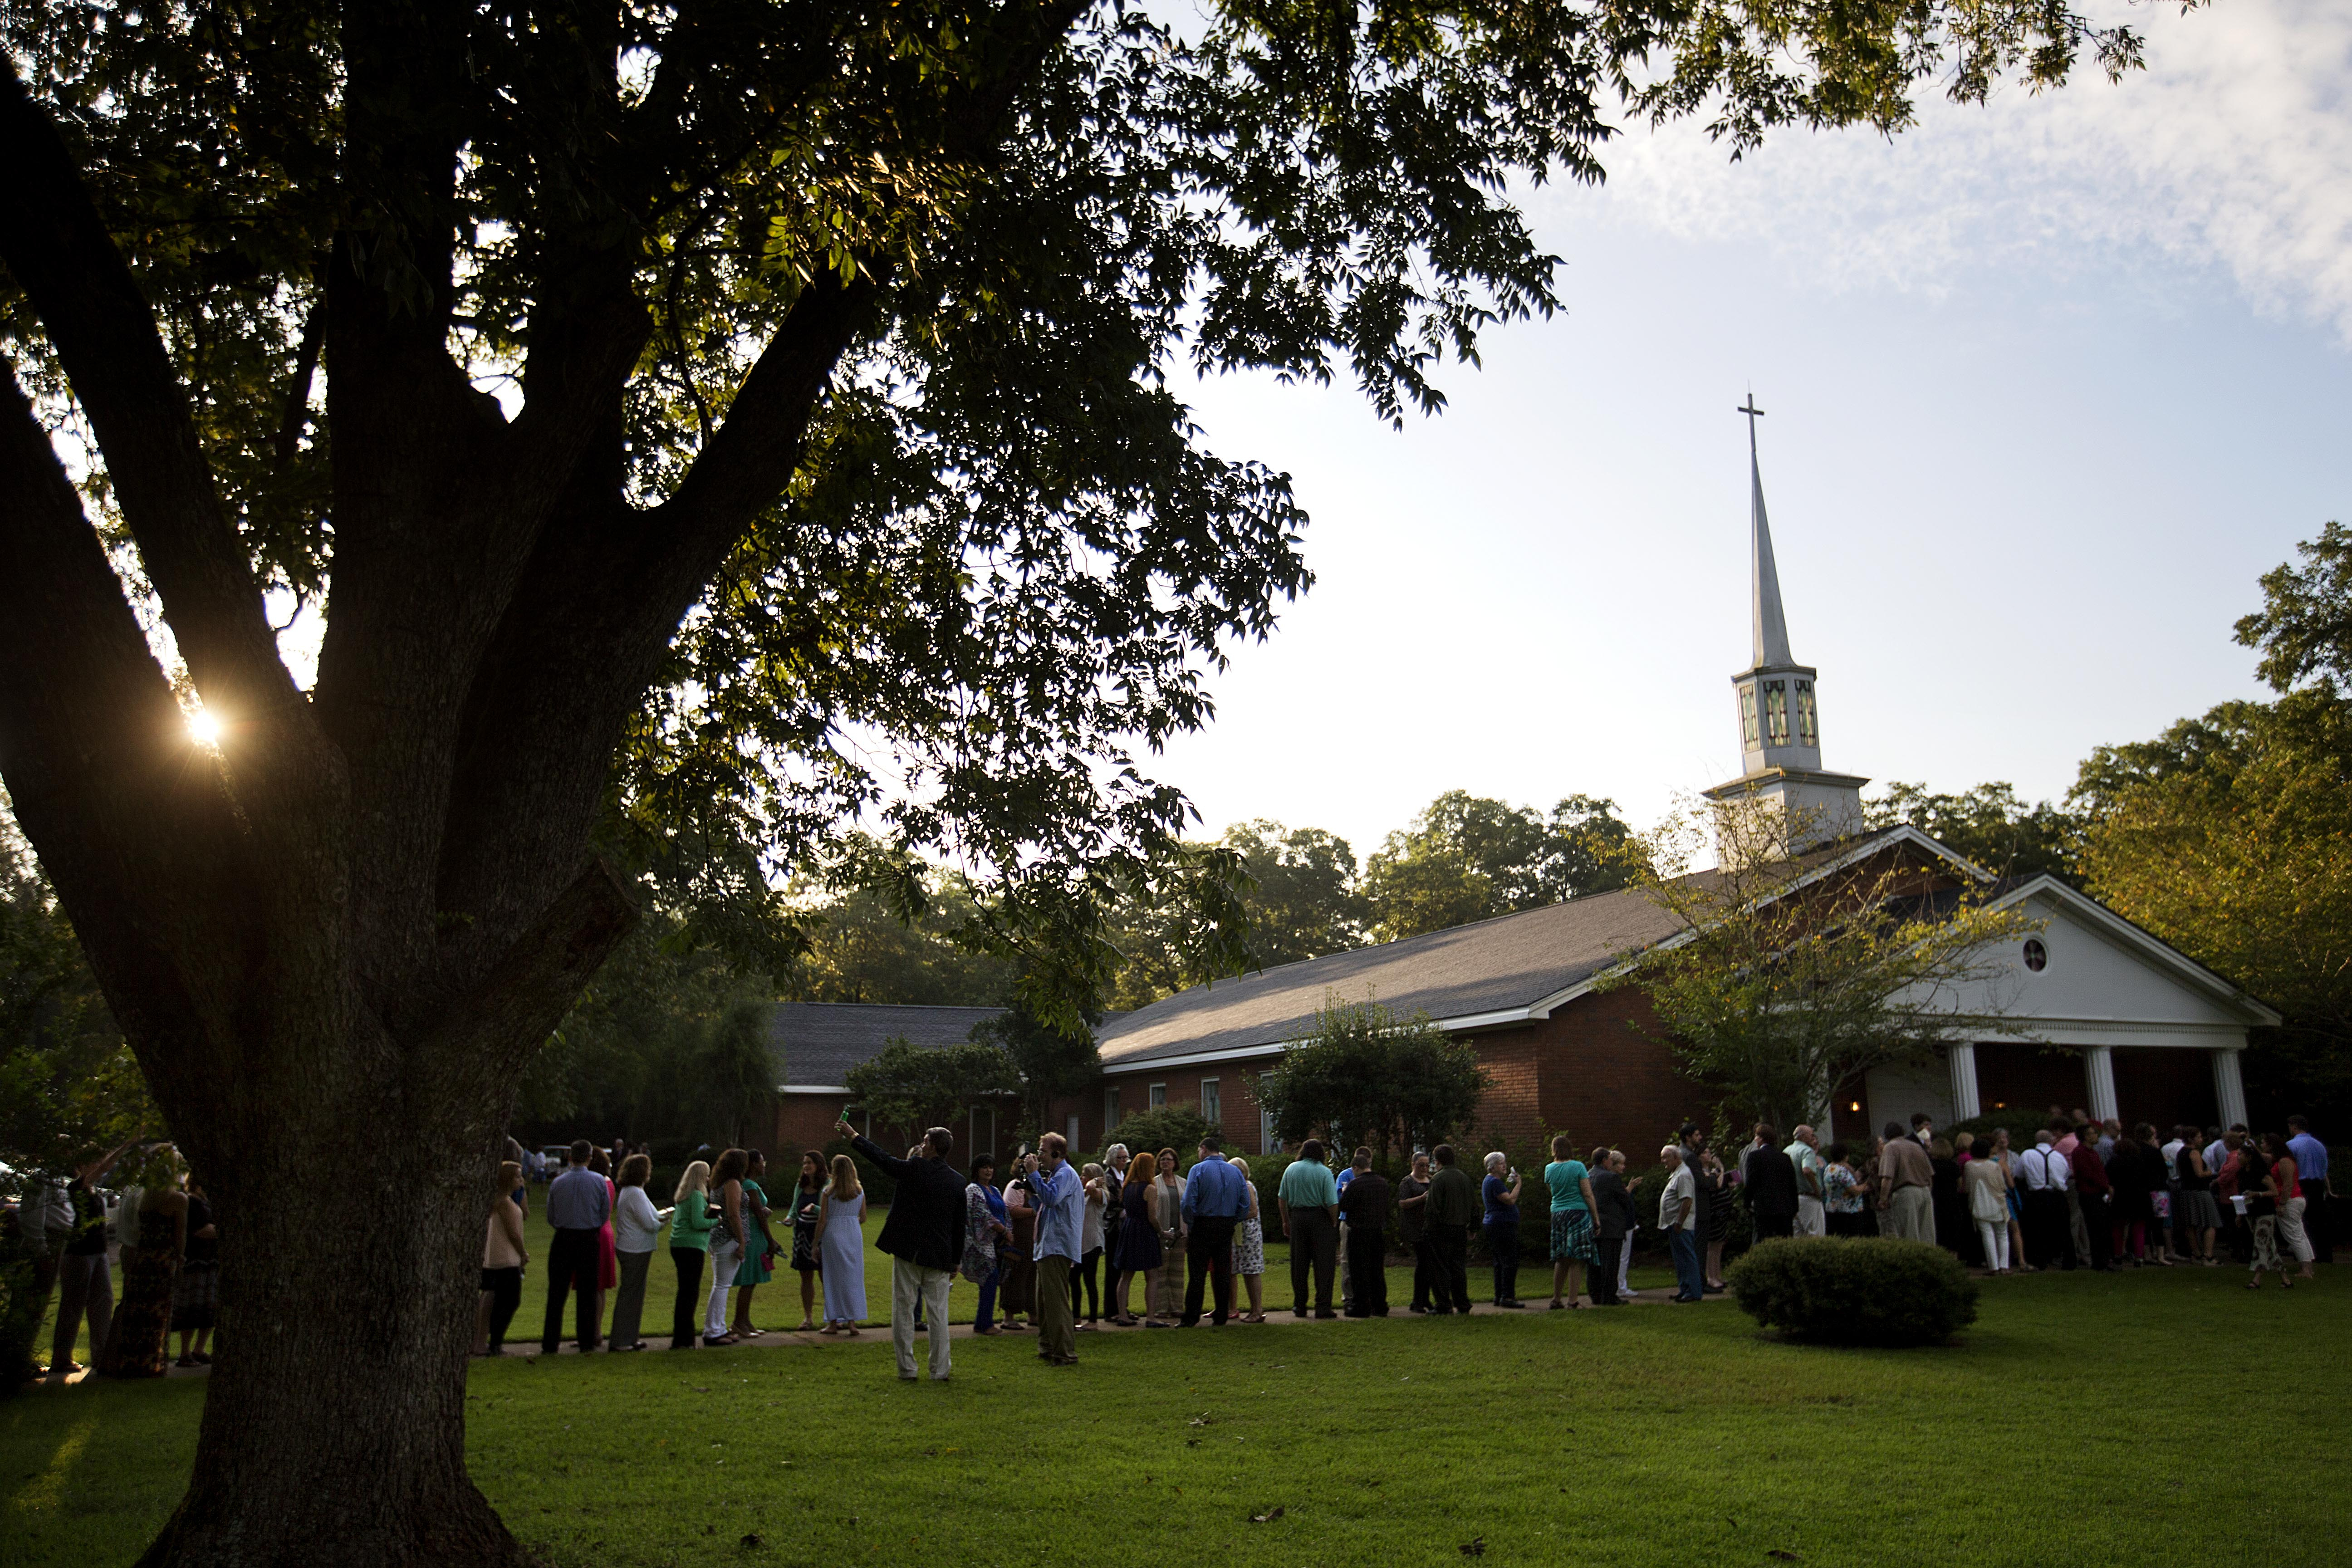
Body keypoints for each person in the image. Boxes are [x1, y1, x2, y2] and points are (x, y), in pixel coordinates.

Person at [842, 1120, 965, 1381]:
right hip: (940, 1255)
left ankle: (907, 1368)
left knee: (903, 1310)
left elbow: (883, 1160)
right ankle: (940, 1370)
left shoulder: (915, 1169)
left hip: (909, 1250)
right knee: (938, 1315)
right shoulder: (957, 1182)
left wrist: (854, 1136)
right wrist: (956, 1260)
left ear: (931, 1146)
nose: (921, 1145)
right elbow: (959, 1225)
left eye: (924, 1141)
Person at [99, 1158, 186, 1378]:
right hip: (161, 1258)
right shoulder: (176, 1199)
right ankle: (147, 1362)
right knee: (155, 1311)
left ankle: (120, 1360)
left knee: (134, 1309)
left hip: (141, 1254)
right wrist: (181, 1258)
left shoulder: (142, 1195)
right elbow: (179, 1235)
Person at [541, 1139, 612, 1354]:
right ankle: (586, 1341)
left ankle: (550, 1343)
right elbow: (604, 1213)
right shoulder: (599, 1181)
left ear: (570, 1158)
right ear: (590, 1158)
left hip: (563, 1238)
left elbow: (551, 1216)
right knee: (587, 1293)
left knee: (556, 1293)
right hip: (589, 1238)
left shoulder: (558, 1183)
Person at [50, 1165, 115, 1379]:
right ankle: (61, 1357)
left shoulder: (94, 1190)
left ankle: (102, 1356)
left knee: (103, 1302)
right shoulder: (75, 1187)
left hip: (99, 1251)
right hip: (79, 1253)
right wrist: (128, 1144)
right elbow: (104, 1166)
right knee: (73, 1304)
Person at [1180, 1136, 1249, 1327]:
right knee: (1223, 1272)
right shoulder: (1235, 1172)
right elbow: (1245, 1203)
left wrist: (1191, 1222)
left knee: (1197, 1273)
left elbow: (1188, 1202)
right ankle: (1221, 1315)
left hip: (1203, 1223)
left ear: (1203, 1149)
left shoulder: (1198, 1169)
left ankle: (1192, 1316)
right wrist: (1234, 1220)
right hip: (1226, 1224)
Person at [1031, 1132, 1084, 1365]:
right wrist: (1033, 1185)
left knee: (1056, 1301)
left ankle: (1065, 1353)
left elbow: (1051, 1199)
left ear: (1056, 1153)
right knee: (1043, 1300)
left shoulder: (1064, 1174)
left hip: (1057, 1246)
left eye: (1042, 1151)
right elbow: (1045, 1202)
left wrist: (1034, 1175)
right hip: (1048, 1246)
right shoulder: (1056, 1175)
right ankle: (1048, 1346)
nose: (1039, 1155)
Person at [1277, 1139, 1341, 1318]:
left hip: (1298, 1217)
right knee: (1324, 1265)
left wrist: (1286, 1221)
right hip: (1320, 1219)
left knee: (1299, 1264)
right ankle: (1323, 1306)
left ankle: (1300, 1305)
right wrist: (1333, 1221)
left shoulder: (1292, 1169)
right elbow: (1331, 1202)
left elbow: (1282, 1198)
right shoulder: (1324, 1172)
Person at [609, 1152, 664, 1351]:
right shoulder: (635, 1193)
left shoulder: (632, 1191)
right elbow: (650, 1223)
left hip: (635, 1247)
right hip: (635, 1249)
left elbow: (650, 1215)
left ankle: (630, 1337)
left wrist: (659, 1217)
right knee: (630, 1295)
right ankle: (621, 1340)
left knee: (635, 1295)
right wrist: (662, 1222)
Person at [479, 1160, 529, 1355]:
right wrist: (523, 1253)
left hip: (497, 1257)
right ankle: (496, 1341)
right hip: (507, 1259)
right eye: (517, 1176)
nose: (521, 1180)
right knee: (511, 1301)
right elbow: (513, 1234)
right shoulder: (505, 1204)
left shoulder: (499, 1201)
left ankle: (493, 1339)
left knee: (501, 1300)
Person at [1542, 1135, 1598, 1309]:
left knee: (1562, 1257)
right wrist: (1596, 1218)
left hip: (1558, 1213)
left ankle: (1556, 1299)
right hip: (1578, 1213)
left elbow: (1552, 1192)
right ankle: (1573, 1301)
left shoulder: (1549, 1168)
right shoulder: (1578, 1167)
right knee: (1576, 1258)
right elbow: (1588, 1194)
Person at [1424, 1143, 1480, 1315]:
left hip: (1442, 1229)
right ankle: (1462, 1302)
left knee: (1440, 1267)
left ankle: (1443, 1304)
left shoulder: (1439, 1179)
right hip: (1460, 1229)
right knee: (1458, 1267)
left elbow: (1432, 1208)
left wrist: (1429, 1229)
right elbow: (1474, 1205)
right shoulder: (1464, 1178)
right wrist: (1474, 1226)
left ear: (1437, 1160)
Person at [701, 1148, 749, 1345]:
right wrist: (742, 1240)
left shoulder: (718, 1183)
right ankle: (713, 1331)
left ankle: (718, 1327)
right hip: (728, 1239)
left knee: (720, 1284)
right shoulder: (732, 1184)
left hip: (718, 1238)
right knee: (722, 1285)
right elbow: (733, 1214)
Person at [816, 1152, 868, 1334]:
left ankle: (833, 1322)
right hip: (853, 1233)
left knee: (832, 1278)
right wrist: (850, 1221)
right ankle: (852, 1322)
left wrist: (816, 1243)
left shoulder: (829, 1193)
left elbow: (822, 1220)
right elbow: (863, 1217)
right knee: (853, 1277)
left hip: (833, 1233)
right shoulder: (859, 1191)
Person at [172, 1174, 220, 1367]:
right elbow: (198, 1230)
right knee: (192, 1305)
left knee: (209, 1307)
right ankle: (185, 1352)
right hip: (196, 1260)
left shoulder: (206, 1202)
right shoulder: (191, 1202)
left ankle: (199, 1349)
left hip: (211, 1261)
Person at [1337, 1147, 1392, 1318]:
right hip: (1377, 1231)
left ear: (1355, 1168)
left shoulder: (1355, 1184)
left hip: (1359, 1231)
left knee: (1358, 1270)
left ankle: (1362, 1306)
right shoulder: (1382, 1183)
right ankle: (1380, 1305)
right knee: (1377, 1269)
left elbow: (1343, 1206)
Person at [730, 1151, 779, 1338]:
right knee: (748, 1281)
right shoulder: (750, 1185)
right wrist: (770, 1240)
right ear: (753, 1164)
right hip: (753, 1235)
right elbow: (758, 1213)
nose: (764, 1165)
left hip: (753, 1233)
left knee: (751, 1282)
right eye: (762, 1161)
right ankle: (738, 1323)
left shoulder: (750, 1184)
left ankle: (746, 1322)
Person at [962, 1154, 1013, 1333]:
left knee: (992, 1279)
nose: (989, 1170)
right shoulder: (973, 1190)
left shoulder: (995, 1190)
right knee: (990, 1277)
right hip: (980, 1242)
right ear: (976, 1170)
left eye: (991, 1167)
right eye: (984, 1167)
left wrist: (1008, 1231)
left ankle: (984, 1322)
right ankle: (984, 1324)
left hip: (996, 1242)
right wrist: (1003, 1230)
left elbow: (1005, 1212)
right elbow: (980, 1215)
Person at [1112, 1149, 1163, 1325]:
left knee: (1126, 1276)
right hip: (1144, 1231)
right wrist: (1161, 1232)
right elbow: (1152, 1217)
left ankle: (1122, 1316)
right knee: (1152, 1275)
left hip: (1129, 1229)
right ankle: (1150, 1317)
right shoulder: (1150, 1189)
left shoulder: (1127, 1187)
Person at [667, 1159, 714, 1348]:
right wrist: (716, 1221)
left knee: (684, 1292)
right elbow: (699, 1223)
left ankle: (682, 1338)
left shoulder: (683, 1195)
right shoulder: (696, 1196)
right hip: (692, 1247)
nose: (709, 1178)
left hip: (678, 1244)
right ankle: (684, 1340)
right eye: (707, 1175)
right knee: (690, 1293)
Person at [2264, 1132, 2315, 1282]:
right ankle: (2308, 1266)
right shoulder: (2283, 1160)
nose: (2262, 1145)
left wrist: (2282, 1204)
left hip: (2290, 1201)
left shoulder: (2285, 1162)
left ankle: (2306, 1268)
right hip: (2295, 1200)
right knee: (2300, 1234)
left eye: (2264, 1142)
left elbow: (2288, 1185)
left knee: (2294, 1236)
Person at [1875, 1121, 1935, 1245]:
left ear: (1887, 1135)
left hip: (1905, 1192)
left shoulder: (1891, 1147)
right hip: (1925, 1191)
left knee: (1909, 1235)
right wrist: (1928, 1190)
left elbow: (1887, 1177)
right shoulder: (1917, 1146)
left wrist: (1883, 1199)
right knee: (1927, 1234)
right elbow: (1930, 1175)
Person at [1587, 1146, 1632, 1305]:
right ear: (1605, 1161)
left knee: (1595, 1264)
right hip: (1612, 1225)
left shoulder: (1588, 1176)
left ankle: (1595, 1294)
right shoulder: (1611, 1178)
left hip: (1593, 1224)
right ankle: (1609, 1296)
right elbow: (1624, 1199)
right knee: (1611, 1263)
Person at [1658, 1145, 1703, 1303]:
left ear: (1676, 1158)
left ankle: (1693, 1292)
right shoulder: (1676, 1174)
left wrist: (1679, 1222)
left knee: (1687, 1257)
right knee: (1680, 1259)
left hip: (1681, 1225)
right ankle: (1685, 1288)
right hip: (1674, 1224)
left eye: (1666, 1158)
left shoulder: (1683, 1175)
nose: (1663, 1161)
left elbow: (1687, 1200)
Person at [2069, 1123, 2116, 1272]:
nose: (2095, 1136)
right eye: (2092, 1133)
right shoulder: (2080, 1153)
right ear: (2085, 1136)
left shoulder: (2093, 1153)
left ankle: (2104, 1259)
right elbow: (2088, 1174)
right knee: (2096, 1228)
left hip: (2099, 1193)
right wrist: (2105, 1186)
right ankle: (2099, 1261)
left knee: (2103, 1227)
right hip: (2090, 1194)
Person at [1480, 1152, 1524, 1308]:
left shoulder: (1489, 1181)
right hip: (1502, 1225)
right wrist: (1518, 1184)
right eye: (1501, 1163)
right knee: (1509, 1261)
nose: (1505, 1166)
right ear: (1492, 1167)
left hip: (1494, 1224)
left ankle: (1499, 1296)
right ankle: (1508, 1297)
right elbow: (1510, 1200)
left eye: (1504, 1162)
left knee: (1499, 1262)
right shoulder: (1495, 1182)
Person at [2286, 1116, 2331, 1264]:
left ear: (2294, 1127)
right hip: (2317, 1184)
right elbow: (2324, 1170)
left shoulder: (2292, 1145)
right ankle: (2324, 1254)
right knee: (2319, 1220)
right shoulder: (2319, 1145)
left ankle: (2307, 1254)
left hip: (2302, 1184)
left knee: (2303, 1220)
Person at [1001, 1151, 1039, 1329]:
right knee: (1015, 1277)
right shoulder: (1015, 1186)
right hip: (1018, 1238)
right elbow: (1011, 1210)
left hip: (1032, 1239)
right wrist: (1034, 1211)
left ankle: (1033, 1313)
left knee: (1032, 1277)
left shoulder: (1034, 1186)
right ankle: (1009, 1316)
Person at [789, 1150, 826, 1330]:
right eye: (804, 1163)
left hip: (820, 1236)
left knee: (825, 1276)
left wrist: (815, 1209)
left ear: (818, 1165)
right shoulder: (800, 1185)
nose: (806, 1166)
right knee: (806, 1277)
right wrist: (790, 1218)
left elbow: (829, 1211)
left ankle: (832, 1317)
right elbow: (795, 1208)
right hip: (802, 1235)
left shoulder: (826, 1185)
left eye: (810, 1162)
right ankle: (808, 1318)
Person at [1743, 1126, 1799, 1244]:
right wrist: (1795, 1207)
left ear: (1760, 1139)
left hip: (1764, 1209)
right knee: (1785, 1242)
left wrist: (1747, 1204)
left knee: (1765, 1242)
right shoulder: (1785, 1157)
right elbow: (1792, 1184)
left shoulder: (1754, 1157)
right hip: (1785, 1209)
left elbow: (1751, 1182)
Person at [1152, 1148, 1189, 1322]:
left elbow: (1188, 1206)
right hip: (1162, 1233)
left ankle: (1176, 1307)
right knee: (1161, 1271)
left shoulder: (1183, 1183)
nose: (1165, 1163)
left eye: (1169, 1160)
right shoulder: (1154, 1183)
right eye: (1162, 1160)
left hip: (1180, 1233)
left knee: (1177, 1272)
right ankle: (1160, 1308)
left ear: (1175, 1163)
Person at [1964, 1142, 2013, 1273]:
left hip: (1978, 1203)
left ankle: (1993, 1267)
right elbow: (2002, 1185)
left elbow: (1967, 1187)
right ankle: (2004, 1266)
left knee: (1987, 1235)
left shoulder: (1969, 1166)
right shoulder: (1994, 1166)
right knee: (2002, 1234)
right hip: (1996, 1202)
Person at [1229, 1156, 1268, 1323]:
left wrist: (1234, 1217)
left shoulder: (1246, 1186)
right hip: (1244, 1235)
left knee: (1252, 1272)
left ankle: (1257, 1311)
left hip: (1249, 1235)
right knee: (1247, 1272)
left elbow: (1252, 1211)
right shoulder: (1241, 1186)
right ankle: (1255, 1310)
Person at [1396, 1150, 1435, 1313]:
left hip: (1431, 1227)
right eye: (1421, 1165)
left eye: (1427, 1165)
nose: (1425, 1168)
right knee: (1423, 1263)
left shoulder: (1432, 1180)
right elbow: (1403, 1203)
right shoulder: (1407, 1182)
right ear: (1413, 1165)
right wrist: (1422, 1198)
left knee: (1429, 1264)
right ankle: (1418, 1300)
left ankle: (1425, 1299)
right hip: (1416, 1228)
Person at [2176, 1133, 2222, 1265]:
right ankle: (2208, 1255)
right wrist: (2210, 1172)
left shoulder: (2181, 1153)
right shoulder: (2194, 1153)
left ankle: (2196, 1253)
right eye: (2199, 1137)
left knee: (2191, 1224)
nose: (2202, 1139)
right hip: (2199, 1191)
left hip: (2187, 1191)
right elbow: (2200, 1173)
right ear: (2191, 1138)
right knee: (2211, 1222)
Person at [1073, 1161, 1107, 1325]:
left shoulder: (1100, 1194)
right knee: (1073, 1280)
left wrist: (1097, 1181)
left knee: (1090, 1280)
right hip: (1077, 1244)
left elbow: (1091, 1189)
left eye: (1084, 1174)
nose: (1081, 1177)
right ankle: (1076, 1317)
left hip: (1093, 1243)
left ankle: (1093, 1321)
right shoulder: (1080, 1193)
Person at [1928, 1137, 1969, 1259]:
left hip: (1936, 1201)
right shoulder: (1953, 1165)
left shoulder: (1931, 1165)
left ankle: (1940, 1259)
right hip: (1952, 1201)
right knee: (1953, 1233)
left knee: (1939, 1231)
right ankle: (1954, 1259)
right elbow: (1961, 1185)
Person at [1820, 1143, 1870, 1239]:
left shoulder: (1829, 1168)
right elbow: (1855, 1190)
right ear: (1845, 1155)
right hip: (1847, 1211)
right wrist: (1866, 1184)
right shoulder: (1842, 1171)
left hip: (1832, 1209)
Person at [1785, 1126, 1826, 1238]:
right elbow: (1807, 1170)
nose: (1814, 1138)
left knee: (1798, 1235)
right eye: (1811, 1135)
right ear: (1803, 1137)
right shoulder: (1807, 1151)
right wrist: (1817, 1190)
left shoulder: (1787, 1151)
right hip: (1809, 1198)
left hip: (1793, 1199)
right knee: (1816, 1236)